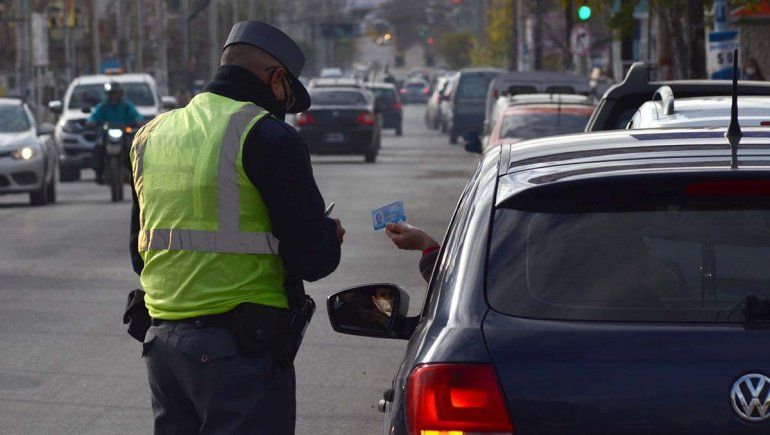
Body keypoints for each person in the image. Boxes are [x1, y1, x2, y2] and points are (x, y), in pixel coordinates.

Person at [129, 21, 344, 434]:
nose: (282, 104)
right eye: (286, 93)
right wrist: (329, 236)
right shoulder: (267, 135)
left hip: (162, 348)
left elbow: (140, 254)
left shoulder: (150, 136)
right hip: (238, 354)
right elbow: (311, 258)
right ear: (276, 78)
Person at [88, 82, 144, 183]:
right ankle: (99, 173)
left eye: (116, 93)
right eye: (111, 93)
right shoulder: (103, 106)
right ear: (107, 94)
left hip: (124, 134)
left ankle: (133, 172)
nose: (114, 95)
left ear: (120, 94)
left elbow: (136, 115)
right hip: (106, 134)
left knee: (133, 148)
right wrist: (90, 122)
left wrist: (138, 121)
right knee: (97, 147)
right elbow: (93, 116)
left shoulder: (126, 106)